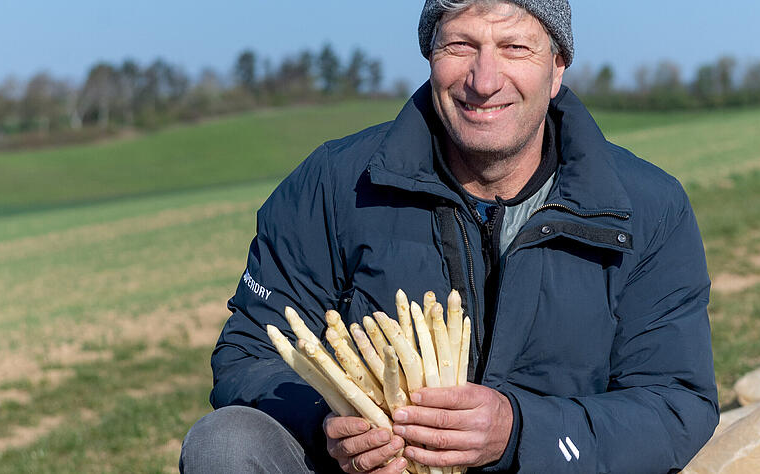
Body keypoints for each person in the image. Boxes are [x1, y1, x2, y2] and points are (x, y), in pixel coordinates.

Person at [180, 0, 719, 472]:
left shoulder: (647, 208)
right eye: (460, 44)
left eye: (515, 47)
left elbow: (676, 403)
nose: (484, 80)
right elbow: (250, 352)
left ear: (557, 68)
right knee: (226, 443)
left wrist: (518, 432)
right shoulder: (334, 184)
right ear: (429, 54)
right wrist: (333, 424)